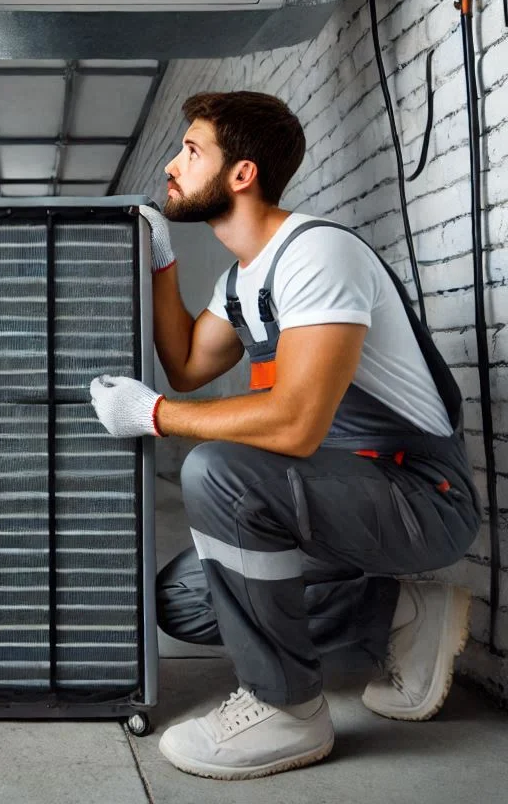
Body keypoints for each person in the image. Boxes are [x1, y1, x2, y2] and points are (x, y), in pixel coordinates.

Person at [89, 91, 480, 781]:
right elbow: (184, 364)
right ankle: (396, 611)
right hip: (340, 495)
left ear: (241, 174)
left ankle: (287, 709)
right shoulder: (244, 281)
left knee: (217, 472)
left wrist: (151, 416)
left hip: (420, 496)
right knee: (182, 601)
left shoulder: (316, 252)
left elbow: (296, 424)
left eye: (191, 151)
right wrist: (159, 263)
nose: (173, 165)